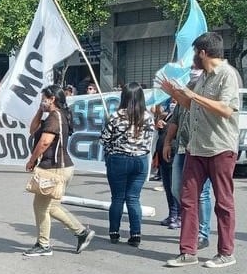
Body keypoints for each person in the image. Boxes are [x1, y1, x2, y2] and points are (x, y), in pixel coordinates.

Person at [161, 32, 241, 269]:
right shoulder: (202, 77)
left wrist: (193, 95)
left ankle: (226, 252)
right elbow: (190, 105)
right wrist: (174, 93)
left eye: (196, 52)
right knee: (188, 200)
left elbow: (226, 110)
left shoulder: (227, 75)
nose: (194, 57)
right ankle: (188, 252)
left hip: (220, 148)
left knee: (223, 202)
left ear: (203, 52)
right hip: (195, 148)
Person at [22, 85, 96, 257]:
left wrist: (32, 160)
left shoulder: (55, 118)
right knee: (52, 207)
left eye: (43, 99)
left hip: (55, 168)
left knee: (41, 207)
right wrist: (40, 111)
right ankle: (81, 233)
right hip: (60, 168)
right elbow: (32, 130)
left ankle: (44, 245)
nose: (42, 101)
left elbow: (45, 142)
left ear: (52, 98)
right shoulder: (53, 116)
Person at [162, 67, 215, 249]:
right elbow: (174, 121)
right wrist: (168, 142)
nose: (193, 72)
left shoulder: (205, 97)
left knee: (202, 193)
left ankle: (202, 233)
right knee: (177, 189)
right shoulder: (183, 96)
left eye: (196, 70)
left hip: (201, 150)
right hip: (182, 148)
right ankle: (190, 224)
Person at [100, 82, 156, 247]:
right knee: (133, 198)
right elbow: (150, 140)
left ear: (123, 97)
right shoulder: (148, 117)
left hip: (118, 159)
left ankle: (114, 233)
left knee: (117, 198)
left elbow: (104, 139)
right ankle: (136, 234)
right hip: (140, 160)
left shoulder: (115, 116)